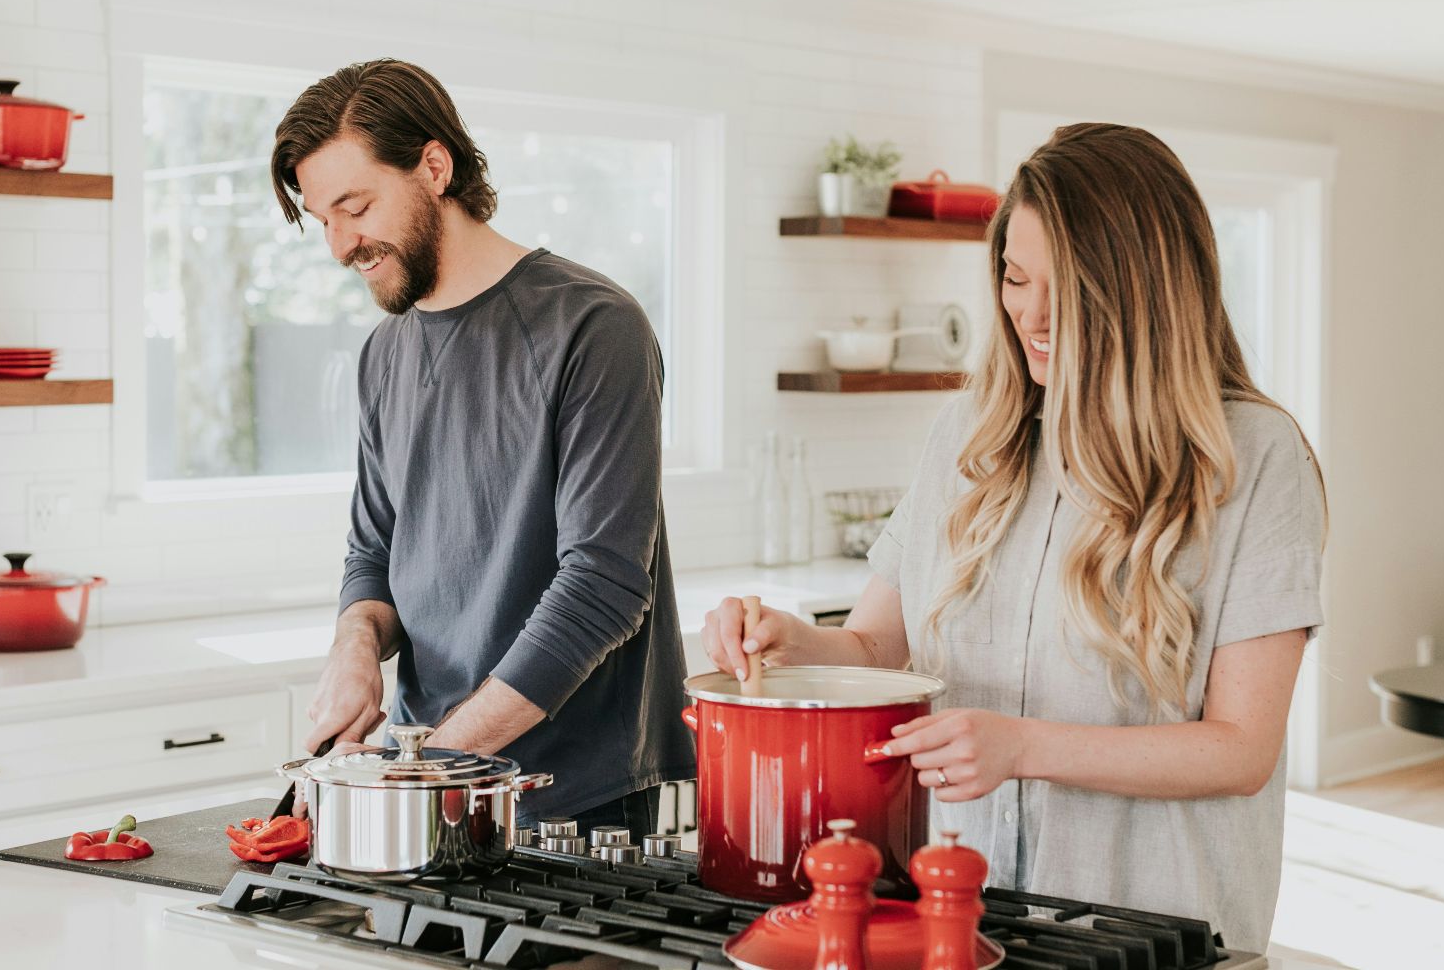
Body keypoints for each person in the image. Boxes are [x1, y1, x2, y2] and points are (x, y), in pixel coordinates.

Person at [702, 123, 1325, 951]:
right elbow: (881, 646)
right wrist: (795, 645)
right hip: (961, 920)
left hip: (1147, 931)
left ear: (1146, 290)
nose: (1031, 314)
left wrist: (1024, 747)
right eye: (1014, 277)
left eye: (1064, 286)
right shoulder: (969, 434)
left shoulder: (1254, 458)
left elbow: (1241, 749)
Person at [272, 58, 694, 840]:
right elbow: (375, 552)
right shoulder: (384, 352)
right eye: (321, 218)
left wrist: (428, 768)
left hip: (573, 800)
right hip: (422, 778)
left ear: (435, 166)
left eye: (354, 207)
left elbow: (604, 585)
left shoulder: (593, 327)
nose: (339, 246)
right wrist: (355, 647)